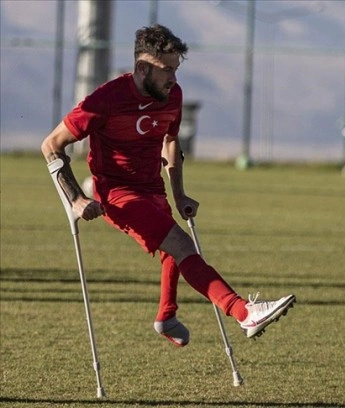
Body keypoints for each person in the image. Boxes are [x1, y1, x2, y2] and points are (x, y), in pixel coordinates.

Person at [41, 24, 295, 347]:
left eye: (176, 69)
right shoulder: (105, 100)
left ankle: (166, 316)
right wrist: (76, 198)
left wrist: (178, 194)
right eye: (166, 70)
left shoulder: (172, 96)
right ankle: (244, 312)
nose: (173, 79)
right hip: (117, 195)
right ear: (142, 68)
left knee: (172, 252)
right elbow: (50, 144)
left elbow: (171, 141)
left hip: (153, 188)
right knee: (181, 244)